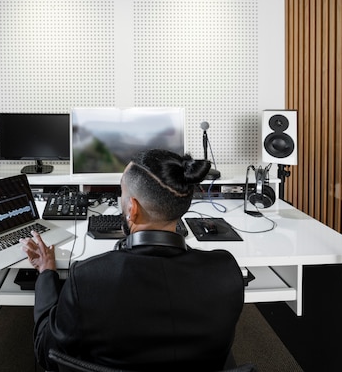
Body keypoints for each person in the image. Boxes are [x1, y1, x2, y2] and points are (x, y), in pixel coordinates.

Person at [21, 149, 245, 371]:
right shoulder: (225, 270)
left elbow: (46, 351)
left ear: (132, 209)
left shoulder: (88, 278)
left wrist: (46, 274)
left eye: (122, 193)